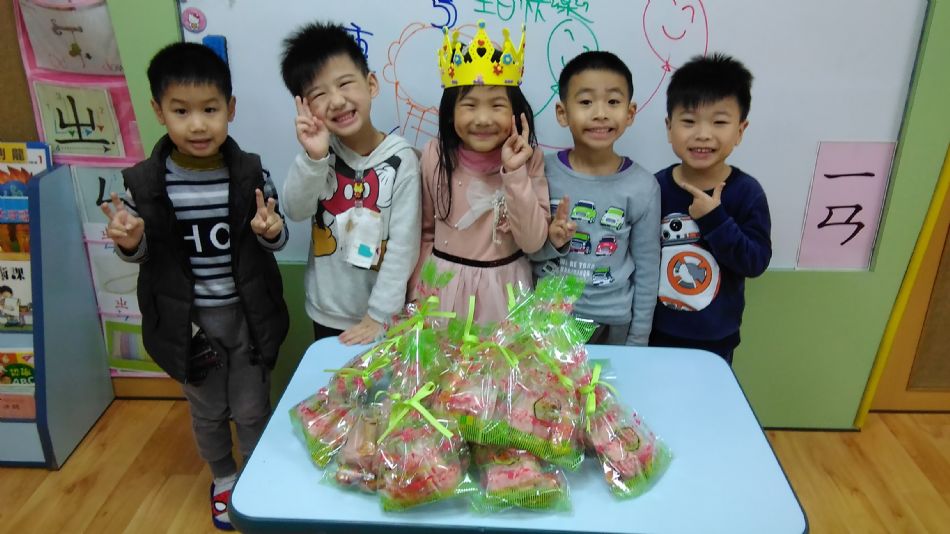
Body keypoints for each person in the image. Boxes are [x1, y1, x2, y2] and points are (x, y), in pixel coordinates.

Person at [100, 42, 289, 531]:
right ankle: (223, 478)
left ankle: (256, 475)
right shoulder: (144, 184)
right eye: (181, 111)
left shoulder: (250, 173)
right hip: (189, 326)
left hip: (247, 317)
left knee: (252, 408)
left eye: (210, 109)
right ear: (158, 111)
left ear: (231, 108)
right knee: (208, 411)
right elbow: (140, 252)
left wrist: (271, 231)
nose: (198, 125)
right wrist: (132, 242)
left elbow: (274, 233)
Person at [280, 22, 421, 345]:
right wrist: (314, 157)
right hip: (326, 313)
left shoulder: (402, 159)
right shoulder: (318, 157)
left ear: (371, 84)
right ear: (305, 107)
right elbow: (295, 209)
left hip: (382, 317)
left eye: (345, 84)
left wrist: (379, 315)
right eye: (319, 94)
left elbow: (404, 247)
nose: (336, 101)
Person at [410, 19, 550, 323]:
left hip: (505, 292)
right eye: (470, 105)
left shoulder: (530, 160)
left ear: (515, 113)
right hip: (442, 291)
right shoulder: (435, 155)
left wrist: (515, 173)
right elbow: (424, 232)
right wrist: (415, 297)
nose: (483, 119)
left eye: (497, 105)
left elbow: (533, 242)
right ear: (451, 113)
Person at [531, 51, 661, 346]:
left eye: (613, 102)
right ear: (562, 113)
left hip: (611, 322)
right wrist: (552, 242)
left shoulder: (643, 186)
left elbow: (647, 271)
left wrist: (638, 341)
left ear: (630, 113)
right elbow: (526, 250)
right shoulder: (541, 172)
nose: (600, 113)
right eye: (586, 102)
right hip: (547, 319)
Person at [650, 53, 772, 364]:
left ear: (740, 130)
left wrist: (715, 219)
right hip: (655, 333)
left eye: (719, 122)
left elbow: (755, 262)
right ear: (669, 127)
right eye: (689, 121)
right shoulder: (653, 188)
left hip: (715, 340)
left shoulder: (747, 193)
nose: (703, 134)